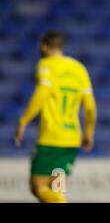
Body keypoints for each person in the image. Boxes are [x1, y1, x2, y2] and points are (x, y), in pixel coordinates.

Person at [14, 30, 97, 203]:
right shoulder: (79, 68)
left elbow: (43, 92)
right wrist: (89, 131)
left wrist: (23, 121)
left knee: (37, 186)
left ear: (44, 46)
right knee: (57, 189)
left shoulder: (46, 64)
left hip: (51, 138)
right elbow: (90, 106)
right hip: (71, 139)